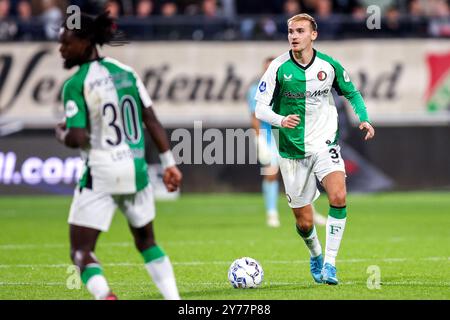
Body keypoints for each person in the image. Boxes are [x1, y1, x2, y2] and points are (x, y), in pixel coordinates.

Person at [55, 11, 182, 300]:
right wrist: (169, 164)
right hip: (136, 170)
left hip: (101, 171)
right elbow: (151, 119)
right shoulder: (126, 72)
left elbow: (77, 138)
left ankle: (106, 297)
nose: (61, 49)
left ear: (87, 41)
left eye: (66, 43)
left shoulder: (76, 84)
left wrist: (61, 133)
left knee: (81, 252)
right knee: (147, 241)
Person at [254, 13, 375, 285]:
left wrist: (364, 117)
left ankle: (331, 263)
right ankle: (316, 254)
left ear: (313, 35)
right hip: (291, 149)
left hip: (324, 142)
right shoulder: (277, 67)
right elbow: (259, 107)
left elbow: (351, 92)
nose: (294, 36)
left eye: (299, 31)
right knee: (305, 223)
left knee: (339, 195)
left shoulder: (328, 65)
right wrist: (280, 120)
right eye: (290, 31)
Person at [248, 56, 327, 228]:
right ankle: (271, 213)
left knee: (300, 176)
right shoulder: (257, 89)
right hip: (269, 138)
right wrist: (259, 139)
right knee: (271, 173)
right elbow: (254, 117)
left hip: (289, 137)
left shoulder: (289, 87)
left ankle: (311, 212)